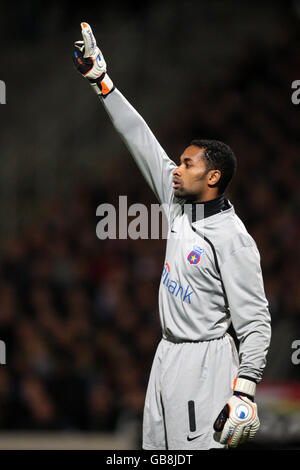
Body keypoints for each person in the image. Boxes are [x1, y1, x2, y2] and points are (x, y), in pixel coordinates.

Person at [72, 22, 271, 450]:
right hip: (166, 355)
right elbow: (140, 137)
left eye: (187, 164)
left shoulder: (233, 238)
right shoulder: (178, 201)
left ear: (213, 176)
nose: (175, 169)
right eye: (177, 163)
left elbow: (256, 323)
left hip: (207, 363)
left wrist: (244, 390)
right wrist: (102, 83)